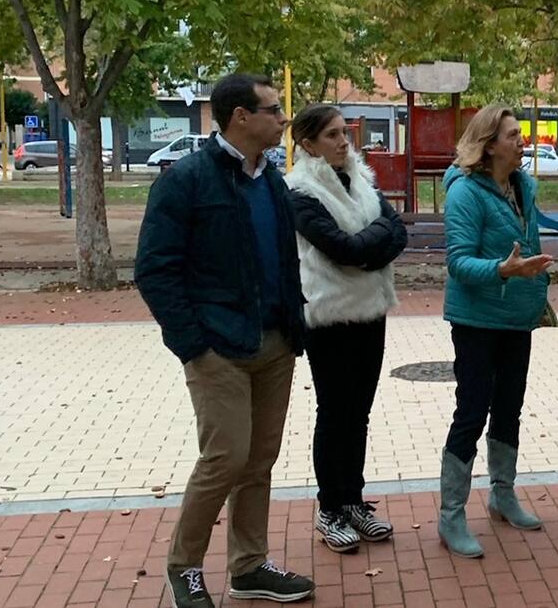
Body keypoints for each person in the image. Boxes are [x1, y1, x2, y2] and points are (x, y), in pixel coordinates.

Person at [135, 73, 314, 608]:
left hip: (275, 343)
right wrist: (192, 342)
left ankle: (250, 566)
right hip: (217, 348)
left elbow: (284, 259)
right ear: (241, 116)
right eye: (273, 109)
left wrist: (291, 326)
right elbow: (154, 270)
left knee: (259, 460)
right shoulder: (186, 180)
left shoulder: (272, 182)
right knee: (226, 458)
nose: (283, 119)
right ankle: (184, 567)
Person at [284, 105, 408, 553]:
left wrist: (365, 250)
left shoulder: (363, 179)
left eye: (345, 133)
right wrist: (369, 248)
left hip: (370, 309)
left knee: (360, 413)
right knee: (334, 413)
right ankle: (330, 509)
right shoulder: (298, 191)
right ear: (308, 143)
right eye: (332, 135)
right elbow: (340, 248)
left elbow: (396, 234)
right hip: (329, 316)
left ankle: (353, 500)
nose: (343, 142)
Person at [437, 104, 553, 559]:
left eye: (519, 134)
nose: (521, 141)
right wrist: (503, 270)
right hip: (476, 320)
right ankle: (451, 516)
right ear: (488, 145)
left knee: (509, 408)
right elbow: (457, 262)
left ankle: (503, 495)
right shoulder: (466, 192)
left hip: (517, 318)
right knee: (472, 412)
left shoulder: (523, 186)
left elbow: (534, 246)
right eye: (511, 135)